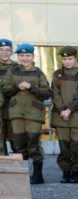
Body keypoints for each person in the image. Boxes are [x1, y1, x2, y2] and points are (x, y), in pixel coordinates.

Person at [1, 43, 51, 184]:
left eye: (27, 55)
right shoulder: (12, 71)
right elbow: (4, 88)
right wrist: (17, 86)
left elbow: (47, 93)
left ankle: (37, 175)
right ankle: (21, 174)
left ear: (33, 56)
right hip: (16, 113)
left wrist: (31, 87)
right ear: (18, 56)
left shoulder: (38, 73)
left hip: (33, 114)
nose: (24, 58)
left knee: (33, 143)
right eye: (21, 55)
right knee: (18, 145)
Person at [51, 46, 78, 184]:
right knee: (64, 146)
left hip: (77, 116)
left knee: (76, 146)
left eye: (70, 58)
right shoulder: (57, 74)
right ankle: (65, 172)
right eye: (64, 59)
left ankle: (75, 173)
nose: (67, 61)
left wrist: (69, 110)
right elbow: (54, 93)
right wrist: (62, 109)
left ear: (75, 58)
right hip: (60, 116)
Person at [0, 38, 17, 155]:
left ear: (11, 52)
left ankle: (19, 171)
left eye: (7, 50)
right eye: (1, 49)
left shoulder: (17, 68)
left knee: (16, 142)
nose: (4, 52)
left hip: (13, 110)